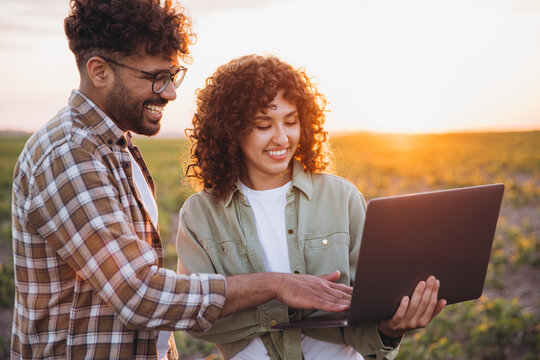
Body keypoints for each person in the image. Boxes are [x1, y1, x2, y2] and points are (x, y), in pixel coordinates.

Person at [10, 2, 353, 359]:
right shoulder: (69, 155)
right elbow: (138, 295)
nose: (171, 92)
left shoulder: (115, 148)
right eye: (156, 77)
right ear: (99, 71)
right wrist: (275, 285)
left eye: (173, 76)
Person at [176, 54, 447, 360]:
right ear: (231, 130)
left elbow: (365, 314)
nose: (282, 137)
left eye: (291, 122)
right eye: (264, 124)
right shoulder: (200, 214)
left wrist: (390, 329)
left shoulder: (341, 196)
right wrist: (280, 295)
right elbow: (196, 318)